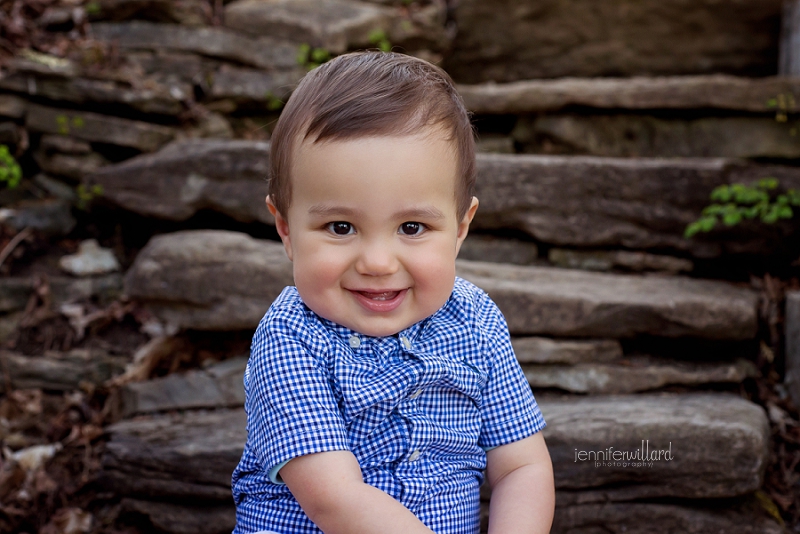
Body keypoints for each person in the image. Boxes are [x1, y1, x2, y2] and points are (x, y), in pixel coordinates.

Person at [231, 51, 555, 534]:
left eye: (412, 226)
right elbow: (335, 500)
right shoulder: (291, 338)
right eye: (340, 227)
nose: (378, 263)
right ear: (286, 229)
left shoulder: (476, 321)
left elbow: (521, 467)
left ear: (461, 227)